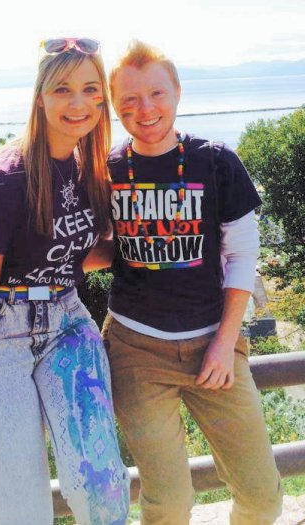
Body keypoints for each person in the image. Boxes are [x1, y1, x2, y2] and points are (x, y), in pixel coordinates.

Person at [0, 37, 130, 525]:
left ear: (102, 98)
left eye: (90, 89)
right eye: (62, 90)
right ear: (40, 97)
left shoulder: (89, 167)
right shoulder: (5, 179)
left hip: (68, 326)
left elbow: (72, 255)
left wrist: (153, 251)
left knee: (104, 497)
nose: (78, 103)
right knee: (23, 518)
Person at [101, 40, 283, 525]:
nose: (146, 109)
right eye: (130, 100)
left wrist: (226, 344)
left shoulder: (217, 162)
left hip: (214, 345)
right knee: (168, 504)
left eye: (157, 93)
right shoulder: (108, 171)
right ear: (116, 107)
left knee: (263, 496)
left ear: (177, 92)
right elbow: (99, 248)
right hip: (136, 351)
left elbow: (242, 255)